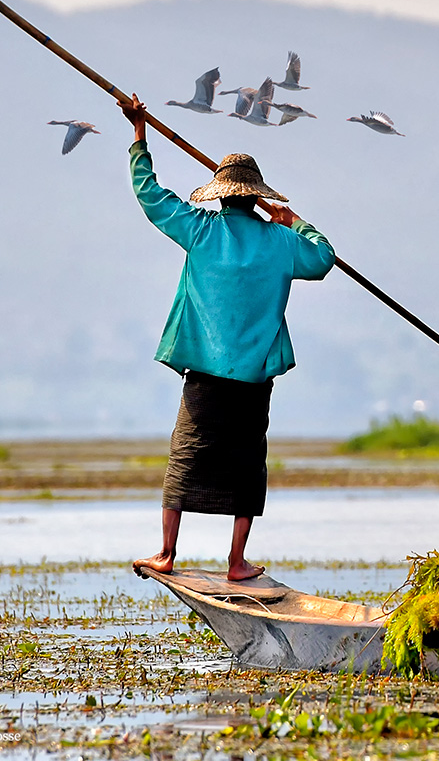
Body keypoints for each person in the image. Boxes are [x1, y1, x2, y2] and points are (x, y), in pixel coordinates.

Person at [121, 95, 336, 580]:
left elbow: (151, 197)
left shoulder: (199, 229)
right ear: (256, 196)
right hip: (254, 375)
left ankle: (167, 553)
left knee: (187, 456)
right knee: (246, 465)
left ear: (219, 195)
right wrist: (293, 221)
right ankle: (236, 562)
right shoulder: (282, 243)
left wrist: (140, 136)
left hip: (205, 373)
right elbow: (323, 258)